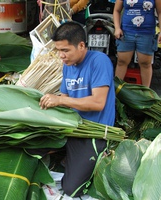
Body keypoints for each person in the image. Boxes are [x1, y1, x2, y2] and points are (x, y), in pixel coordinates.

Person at [39, 21, 115, 197]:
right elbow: (65, 98)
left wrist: (59, 101)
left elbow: (98, 103)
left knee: (72, 189)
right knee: (27, 144)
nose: (61, 56)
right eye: (58, 50)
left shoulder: (99, 61)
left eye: (65, 50)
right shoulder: (68, 66)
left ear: (81, 45)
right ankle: (65, 153)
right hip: (72, 127)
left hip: (92, 132)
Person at [113, 0, 161, 87]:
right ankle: (116, 93)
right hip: (126, 33)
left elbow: (160, 12)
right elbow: (116, 10)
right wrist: (117, 28)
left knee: (145, 64)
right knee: (121, 62)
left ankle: (146, 94)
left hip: (147, 34)